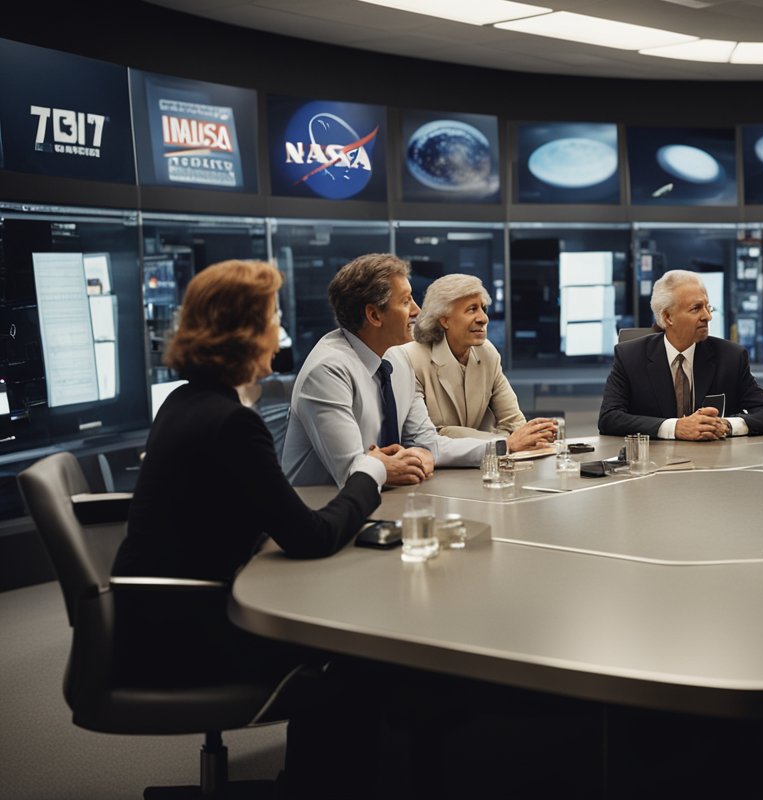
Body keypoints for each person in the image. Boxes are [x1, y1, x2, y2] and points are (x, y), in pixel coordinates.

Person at [110, 260, 388, 796]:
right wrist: (368, 473)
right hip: (189, 633)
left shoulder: (185, 402)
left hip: (150, 620)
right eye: (273, 317)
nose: (279, 332)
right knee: (358, 662)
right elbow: (310, 537)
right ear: (246, 331)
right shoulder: (232, 424)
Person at [282, 254, 484, 487]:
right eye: (406, 301)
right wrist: (418, 458)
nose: (417, 311)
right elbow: (353, 472)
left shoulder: (396, 358)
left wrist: (504, 446)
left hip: (382, 501)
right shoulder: (327, 371)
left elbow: (429, 445)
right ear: (374, 315)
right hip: (321, 511)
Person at [597, 269, 763, 439]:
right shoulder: (630, 356)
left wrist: (726, 424)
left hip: (715, 466)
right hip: (654, 465)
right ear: (668, 317)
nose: (707, 316)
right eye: (696, 309)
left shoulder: (731, 357)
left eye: (707, 307)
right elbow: (609, 418)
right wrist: (675, 428)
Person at [404, 273, 556, 451]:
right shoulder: (412, 359)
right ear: (444, 320)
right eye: (471, 309)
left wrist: (513, 439)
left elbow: (515, 424)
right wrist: (504, 442)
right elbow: (430, 438)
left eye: (483, 308)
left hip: (487, 468)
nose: (483, 318)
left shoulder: (487, 353)